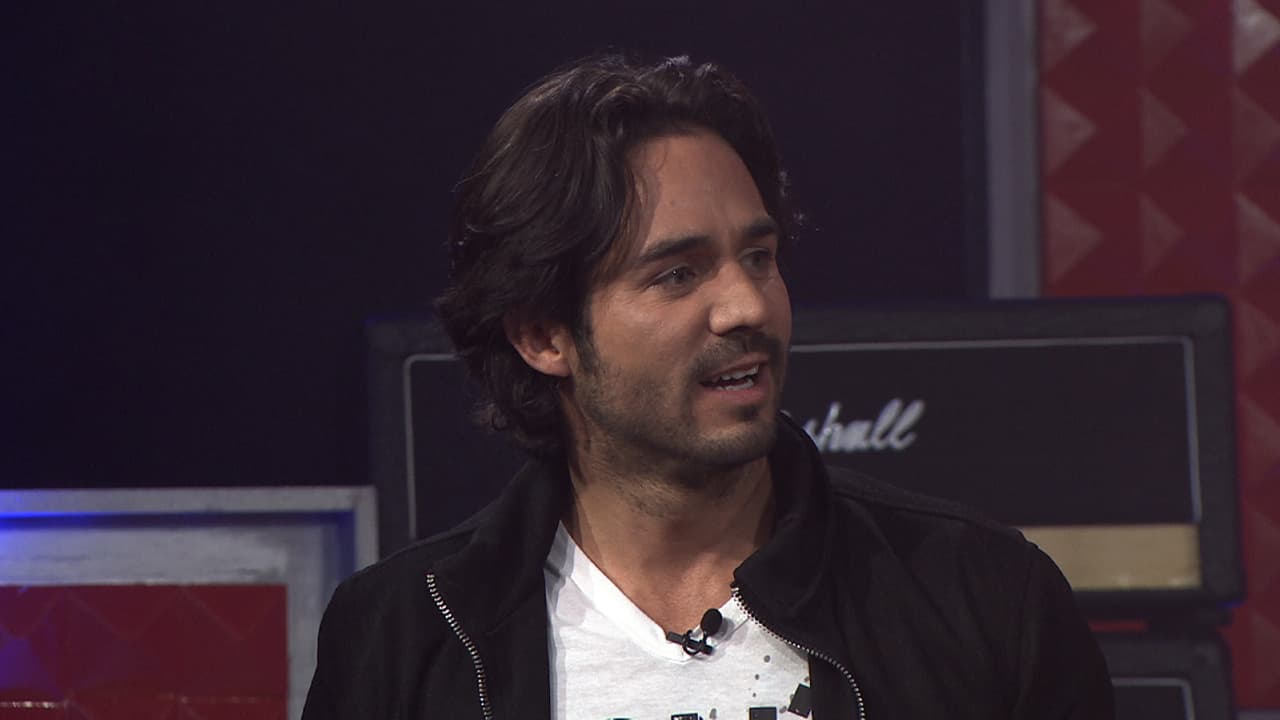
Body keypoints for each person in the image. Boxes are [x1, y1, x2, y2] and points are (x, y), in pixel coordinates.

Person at [302, 53, 1114, 720]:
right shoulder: (402, 636)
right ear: (545, 336)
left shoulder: (984, 599)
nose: (748, 306)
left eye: (759, 257)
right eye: (678, 274)